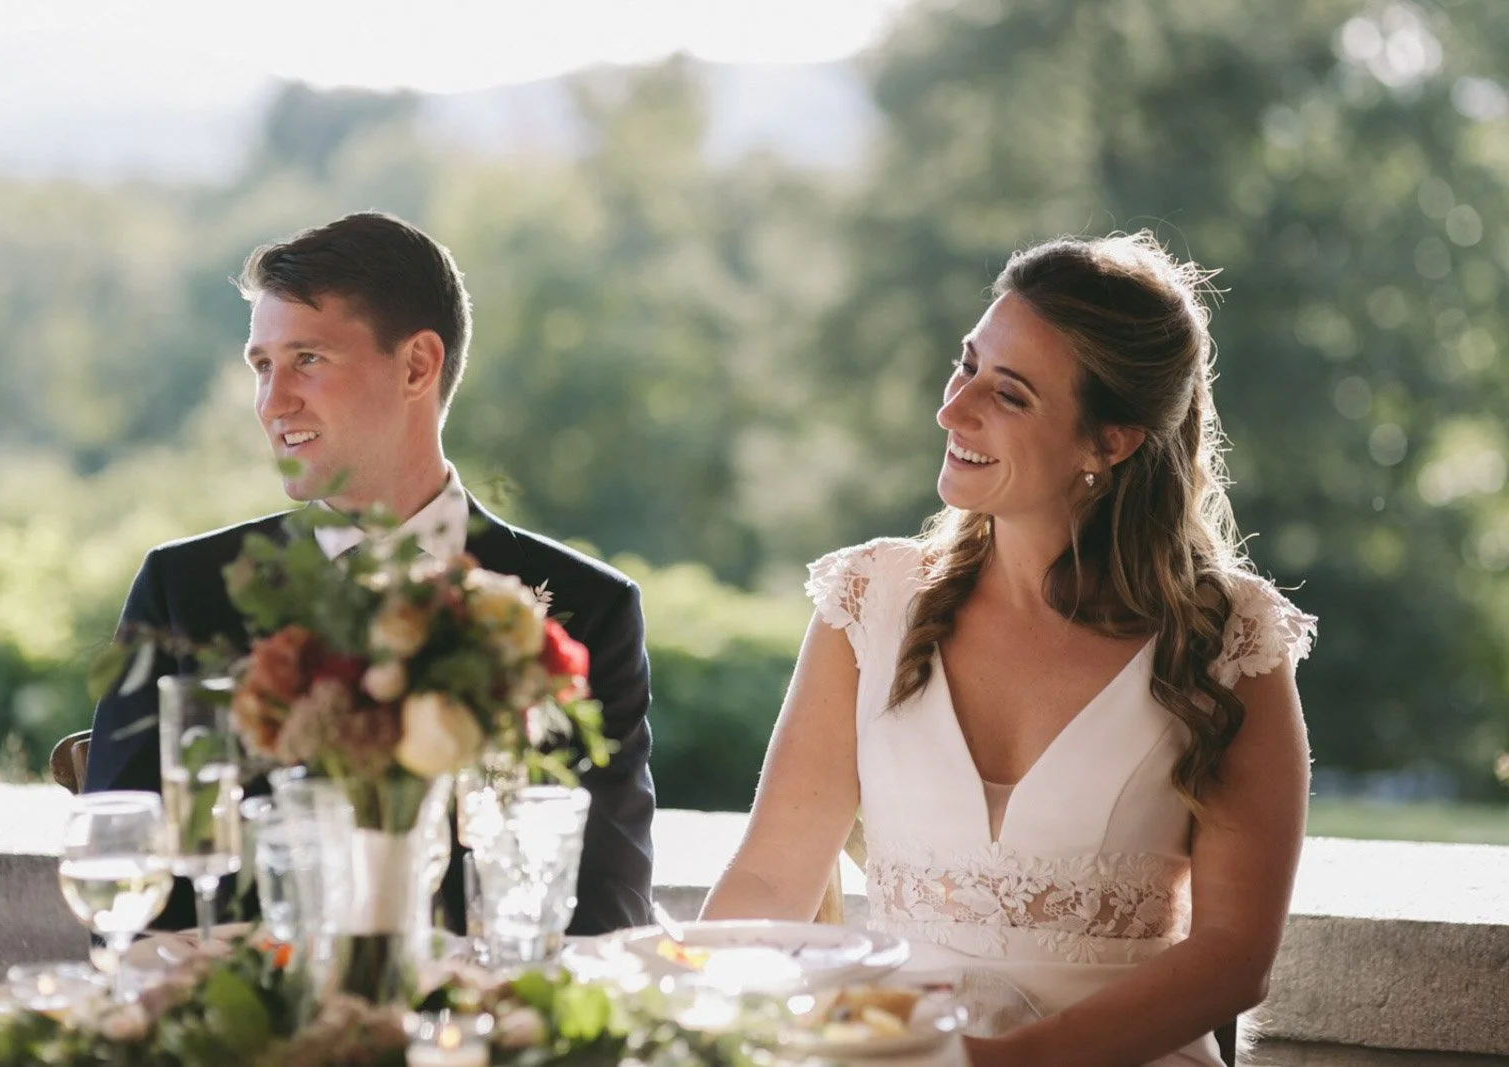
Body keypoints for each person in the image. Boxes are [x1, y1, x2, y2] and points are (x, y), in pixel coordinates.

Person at [701, 232, 1315, 1067]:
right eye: (967, 365)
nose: (953, 409)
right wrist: (683, 1019)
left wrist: (998, 1066)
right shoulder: (870, 602)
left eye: (1011, 394)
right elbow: (772, 879)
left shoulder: (1229, 640)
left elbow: (1233, 957)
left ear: (1112, 441)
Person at [85, 211, 655, 937]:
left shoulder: (583, 610)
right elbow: (127, 893)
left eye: (308, 360)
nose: (272, 401)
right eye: (262, 365)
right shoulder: (184, 589)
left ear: (417, 364)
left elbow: (607, 909)